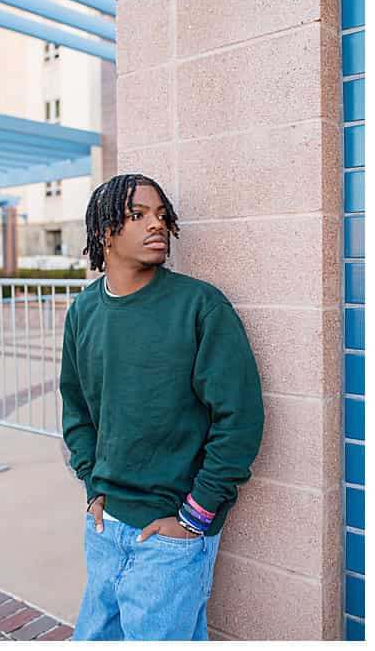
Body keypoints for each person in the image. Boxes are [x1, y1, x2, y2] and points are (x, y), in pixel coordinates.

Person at [60, 174, 263, 641]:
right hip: (105, 526)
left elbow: (240, 419)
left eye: (162, 215)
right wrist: (93, 486)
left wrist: (195, 516)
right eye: (138, 215)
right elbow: (76, 408)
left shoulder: (200, 306)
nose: (157, 225)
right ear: (103, 232)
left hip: (173, 534)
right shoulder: (83, 311)